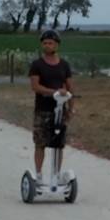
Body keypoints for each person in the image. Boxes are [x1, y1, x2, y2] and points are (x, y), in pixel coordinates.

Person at [29, 28, 75, 175]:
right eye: (45, 43)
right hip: (43, 110)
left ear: (56, 45)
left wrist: (71, 108)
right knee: (40, 144)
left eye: (51, 43)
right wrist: (53, 92)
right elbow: (35, 86)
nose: (47, 45)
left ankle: (56, 174)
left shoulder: (64, 65)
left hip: (60, 110)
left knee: (58, 144)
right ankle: (38, 174)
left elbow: (70, 88)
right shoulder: (37, 64)